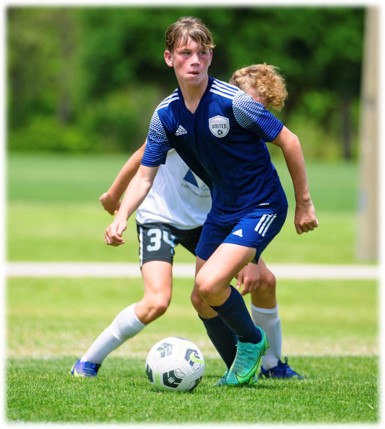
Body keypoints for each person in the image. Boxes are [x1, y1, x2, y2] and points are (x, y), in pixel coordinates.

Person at [81, 16, 318, 386]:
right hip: (221, 209)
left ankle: (253, 343)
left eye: (202, 53)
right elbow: (145, 173)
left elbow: (290, 141)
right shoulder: (165, 115)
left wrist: (304, 202)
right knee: (201, 298)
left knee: (210, 283)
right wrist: (122, 214)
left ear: (210, 58)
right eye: (185, 52)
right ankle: (240, 369)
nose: (194, 60)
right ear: (169, 58)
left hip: (262, 205)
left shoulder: (235, 103)